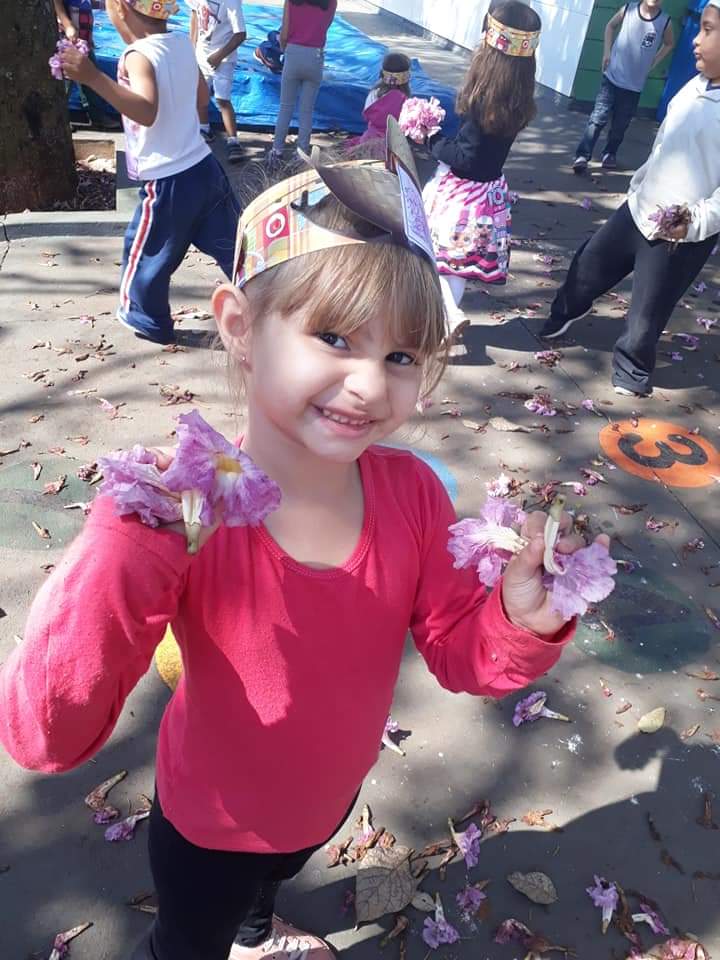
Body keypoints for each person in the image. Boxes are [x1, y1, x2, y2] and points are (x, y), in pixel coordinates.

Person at [0, 125, 599, 960]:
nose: (369, 383)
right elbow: (45, 734)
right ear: (241, 327)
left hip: (326, 796)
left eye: (402, 354)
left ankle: (257, 929)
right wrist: (122, 548)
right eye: (335, 337)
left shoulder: (412, 494)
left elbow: (465, 655)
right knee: (189, 940)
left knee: (274, 878)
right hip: (210, 825)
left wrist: (520, 616)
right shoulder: (182, 518)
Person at [540, 0, 720, 397]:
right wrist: (639, 184)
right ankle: (567, 310)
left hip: (679, 235)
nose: (695, 39)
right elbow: (665, 145)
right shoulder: (695, 86)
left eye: (708, 30)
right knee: (589, 263)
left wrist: (694, 222)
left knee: (646, 314)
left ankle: (632, 369)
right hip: (641, 207)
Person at [59, 0, 240, 346]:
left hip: (168, 179)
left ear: (120, 10)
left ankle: (147, 318)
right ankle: (271, 296)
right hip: (205, 168)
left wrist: (93, 77)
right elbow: (202, 97)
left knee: (145, 256)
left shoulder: (137, 55)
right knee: (234, 248)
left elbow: (146, 111)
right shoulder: (180, 43)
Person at [422, 0, 541, 335]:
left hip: (461, 197)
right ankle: (447, 316)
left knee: (438, 255)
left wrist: (430, 138)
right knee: (454, 264)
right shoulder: (517, 100)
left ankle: (448, 314)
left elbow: (466, 158)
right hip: (488, 194)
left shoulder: (483, 100)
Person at [573, 0, 674, 173]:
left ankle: (610, 153)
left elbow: (669, 43)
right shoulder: (628, 10)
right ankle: (582, 155)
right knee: (598, 118)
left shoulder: (665, 21)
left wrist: (654, 61)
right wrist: (607, 52)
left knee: (621, 124)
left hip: (634, 86)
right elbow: (610, 26)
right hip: (612, 78)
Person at [267, 0, 337, 166]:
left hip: (293, 52)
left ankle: (277, 151)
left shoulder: (291, 2)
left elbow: (284, 35)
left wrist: (285, 49)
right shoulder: (331, 2)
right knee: (306, 111)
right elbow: (325, 27)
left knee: (285, 107)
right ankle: (301, 154)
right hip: (316, 56)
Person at [190, 0, 247, 163]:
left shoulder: (231, 3)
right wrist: (191, 48)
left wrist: (219, 55)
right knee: (200, 94)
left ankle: (233, 140)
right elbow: (194, 16)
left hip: (224, 59)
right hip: (202, 55)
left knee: (223, 99)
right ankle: (204, 129)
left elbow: (241, 34)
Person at [52, 0, 121, 129]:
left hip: (83, 42)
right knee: (65, 81)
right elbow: (57, 4)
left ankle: (97, 116)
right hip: (68, 41)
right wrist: (67, 25)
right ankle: (59, 120)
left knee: (90, 80)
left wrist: (89, 39)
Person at [346, 51, 411, 152]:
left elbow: (366, 116)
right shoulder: (407, 100)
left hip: (369, 141)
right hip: (395, 145)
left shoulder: (374, 93)